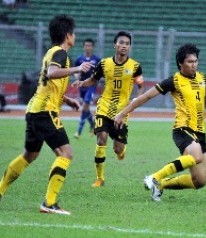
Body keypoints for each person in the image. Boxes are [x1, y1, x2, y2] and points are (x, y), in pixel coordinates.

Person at [114, 43, 206, 202]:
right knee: (196, 156)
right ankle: (154, 177)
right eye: (190, 62)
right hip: (182, 128)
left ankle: (160, 185)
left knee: (199, 181)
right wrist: (123, 113)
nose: (194, 65)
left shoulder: (202, 78)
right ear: (180, 63)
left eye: (196, 61)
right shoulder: (173, 81)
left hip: (200, 132)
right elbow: (146, 97)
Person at [0, 14, 94, 215]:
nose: (74, 37)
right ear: (68, 35)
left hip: (35, 110)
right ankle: (49, 203)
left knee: (30, 155)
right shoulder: (60, 53)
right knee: (66, 153)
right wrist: (78, 68)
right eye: (73, 33)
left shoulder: (51, 52)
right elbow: (51, 74)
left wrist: (67, 100)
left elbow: (46, 82)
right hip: (44, 113)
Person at [72, 31, 144, 188]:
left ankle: (121, 151)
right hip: (104, 107)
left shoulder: (135, 66)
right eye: (121, 43)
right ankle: (100, 178)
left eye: (127, 43)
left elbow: (140, 84)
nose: (124, 46)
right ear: (115, 45)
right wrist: (82, 83)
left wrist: (137, 99)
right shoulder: (104, 64)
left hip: (122, 111)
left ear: (129, 47)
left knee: (118, 149)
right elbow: (93, 80)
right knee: (101, 139)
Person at [73, 38, 101, 139]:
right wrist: (77, 77)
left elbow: (99, 72)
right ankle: (93, 124)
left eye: (89, 45)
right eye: (86, 45)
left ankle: (78, 131)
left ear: (92, 47)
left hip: (91, 86)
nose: (87, 47)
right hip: (82, 86)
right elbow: (76, 71)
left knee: (85, 105)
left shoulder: (97, 60)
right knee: (86, 108)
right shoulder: (79, 59)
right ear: (83, 47)